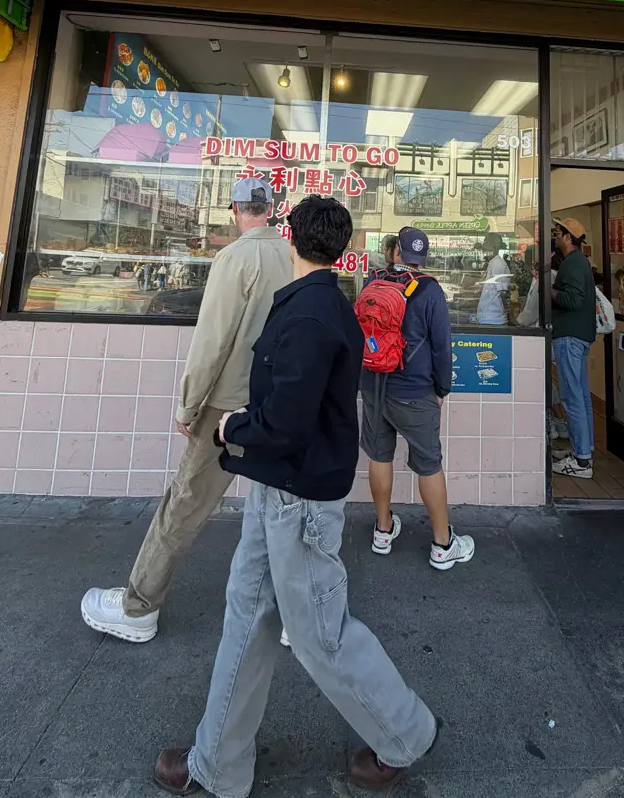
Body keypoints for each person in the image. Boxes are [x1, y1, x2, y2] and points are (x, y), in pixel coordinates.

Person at [153, 196, 438, 797]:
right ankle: (218, 762)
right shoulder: (323, 305)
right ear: (342, 248)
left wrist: (232, 427)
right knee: (247, 616)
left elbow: (285, 421)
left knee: (319, 635)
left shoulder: (310, 315)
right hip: (280, 488)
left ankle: (406, 733)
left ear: (290, 239)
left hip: (298, 499)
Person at [80, 178, 292, 642]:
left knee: (184, 504)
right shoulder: (292, 256)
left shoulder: (235, 257)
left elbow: (212, 341)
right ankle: (297, 618)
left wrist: (189, 405)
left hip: (227, 407)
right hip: (279, 402)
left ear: (235, 208)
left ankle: (138, 607)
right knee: (284, 507)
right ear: (272, 208)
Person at [359, 226, 475, 569]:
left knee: (379, 455)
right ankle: (442, 544)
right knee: (429, 464)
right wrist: (442, 389)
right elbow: (442, 347)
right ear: (421, 259)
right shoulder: (430, 290)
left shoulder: (372, 282)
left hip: (373, 385)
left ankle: (383, 531)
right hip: (414, 392)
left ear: (396, 251)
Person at [550, 218, 598, 480]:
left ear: (569, 237)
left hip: (569, 337)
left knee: (571, 397)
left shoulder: (573, 263)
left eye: (558, 233)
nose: (555, 236)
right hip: (579, 336)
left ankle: (581, 461)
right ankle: (583, 449)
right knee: (581, 397)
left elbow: (572, 299)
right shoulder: (580, 262)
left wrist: (550, 290)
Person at [476, 232, 510, 325]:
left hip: (494, 317)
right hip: (488, 316)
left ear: (493, 247)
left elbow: (503, 292)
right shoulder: (493, 262)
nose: (483, 248)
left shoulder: (498, 264)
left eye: (485, 243)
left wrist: (506, 312)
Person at [517, 261, 540, 328]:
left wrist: (521, 320)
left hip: (535, 321)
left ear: (537, 271)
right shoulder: (534, 279)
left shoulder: (540, 281)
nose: (531, 270)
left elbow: (533, 306)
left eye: (532, 269)